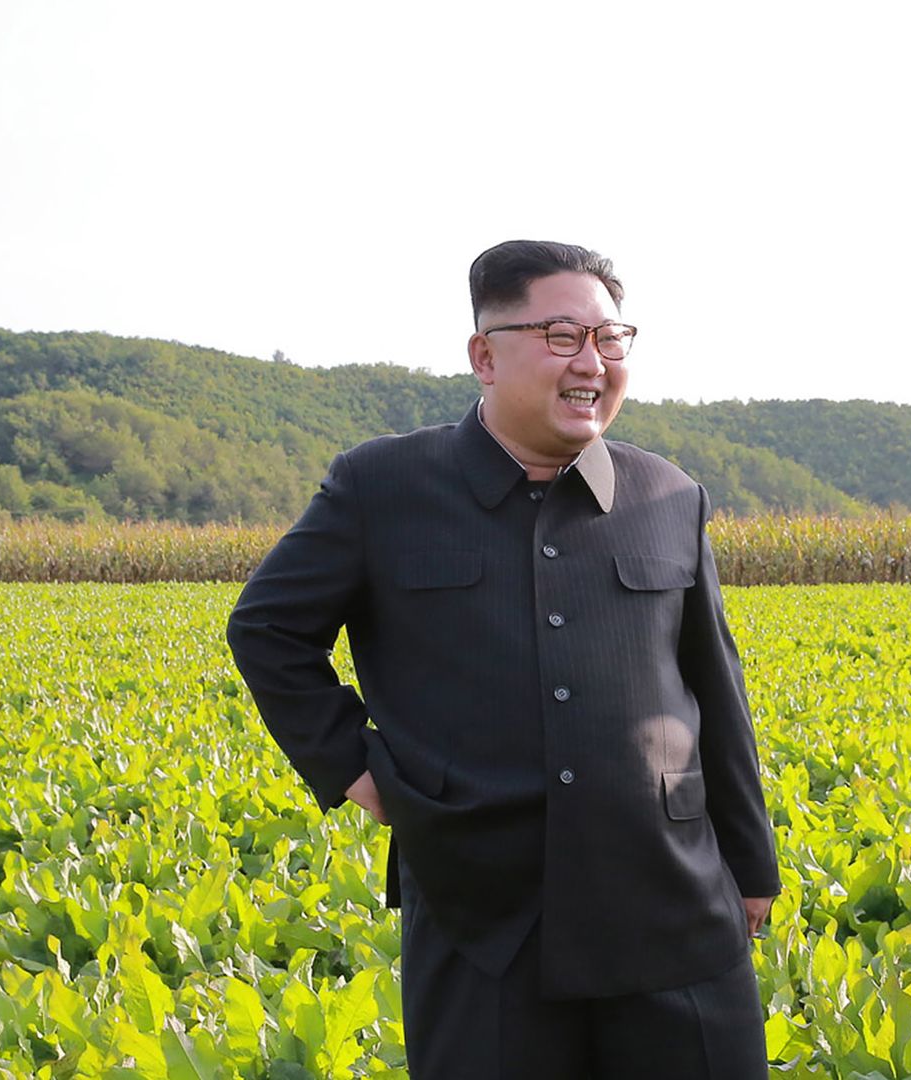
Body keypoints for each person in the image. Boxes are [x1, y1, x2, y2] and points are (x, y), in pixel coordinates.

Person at [227, 240, 780, 1080]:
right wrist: (352, 766)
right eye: (562, 337)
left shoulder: (668, 495)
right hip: (481, 913)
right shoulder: (384, 487)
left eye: (611, 339)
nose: (592, 363)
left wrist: (751, 867)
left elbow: (713, 687)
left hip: (671, 905)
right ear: (484, 355)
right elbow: (267, 629)